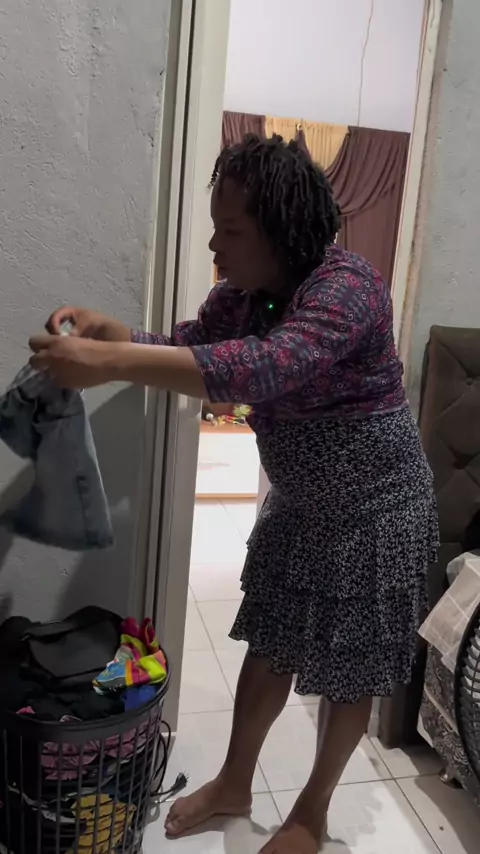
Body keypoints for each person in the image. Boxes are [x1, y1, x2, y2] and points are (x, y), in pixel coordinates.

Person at [31, 135, 438, 854]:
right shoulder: (242, 296)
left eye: (231, 230)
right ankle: (234, 782)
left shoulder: (348, 287)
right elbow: (188, 344)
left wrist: (110, 361)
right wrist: (115, 334)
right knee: (270, 643)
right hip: (301, 505)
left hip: (377, 510)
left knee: (351, 671)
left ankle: (310, 812)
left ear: (281, 230)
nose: (216, 246)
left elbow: (263, 368)